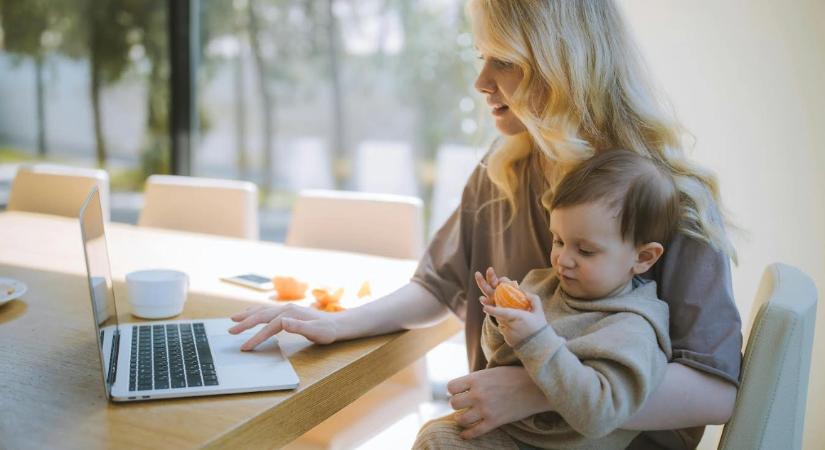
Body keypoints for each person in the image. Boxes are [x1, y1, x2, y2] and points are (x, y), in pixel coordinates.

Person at [228, 0, 742, 448]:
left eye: (506, 61)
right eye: (481, 58)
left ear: (563, 64)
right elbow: (439, 285)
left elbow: (715, 389)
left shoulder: (668, 198)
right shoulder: (503, 169)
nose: (481, 83)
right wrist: (339, 323)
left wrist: (535, 391)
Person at [414, 149, 680, 449]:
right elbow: (499, 359)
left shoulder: (633, 328)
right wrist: (502, 321)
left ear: (643, 257)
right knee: (435, 436)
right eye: (559, 240)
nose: (563, 259)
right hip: (514, 432)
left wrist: (536, 337)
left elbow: (599, 415)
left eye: (586, 250)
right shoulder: (544, 285)